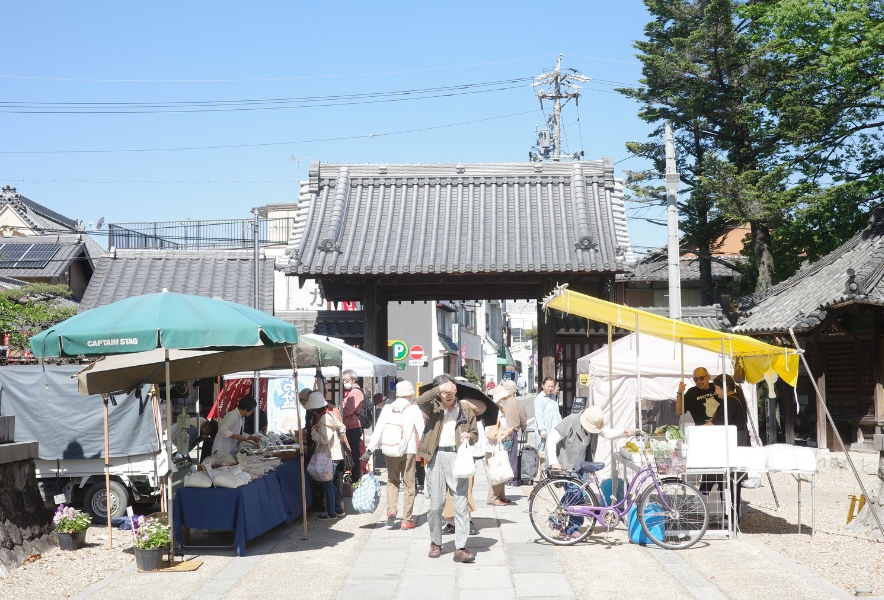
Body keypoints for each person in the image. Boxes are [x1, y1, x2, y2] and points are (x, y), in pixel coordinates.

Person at [417, 374, 479, 563]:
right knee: (436, 505)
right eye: (445, 391)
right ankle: (435, 542)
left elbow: (476, 433)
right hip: (436, 456)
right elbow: (420, 400)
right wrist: (440, 388)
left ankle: (460, 547)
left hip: (457, 456)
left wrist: (470, 435)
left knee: (460, 504)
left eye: (451, 389)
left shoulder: (465, 409)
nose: (449, 394)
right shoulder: (433, 407)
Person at [547, 406, 634, 539]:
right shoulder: (570, 421)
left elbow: (608, 433)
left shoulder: (594, 424)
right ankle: (555, 519)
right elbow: (551, 440)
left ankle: (572, 528)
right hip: (565, 465)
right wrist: (554, 462)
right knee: (576, 493)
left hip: (581, 465)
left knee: (579, 497)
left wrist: (624, 432)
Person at [362, 381, 424, 529]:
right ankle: (406, 520)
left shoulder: (388, 408)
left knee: (392, 480)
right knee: (409, 484)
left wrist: (370, 450)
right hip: (408, 450)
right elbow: (423, 432)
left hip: (390, 449)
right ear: (410, 394)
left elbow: (378, 431)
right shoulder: (415, 409)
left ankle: (391, 511)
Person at [306, 391, 346, 520]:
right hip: (334, 454)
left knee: (327, 485)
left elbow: (325, 439)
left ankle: (331, 512)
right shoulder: (329, 414)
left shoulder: (323, 418)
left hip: (329, 455)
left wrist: (314, 434)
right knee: (330, 484)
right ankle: (338, 509)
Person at [486, 386, 515, 505]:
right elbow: (492, 434)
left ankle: (501, 495)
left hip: (499, 446)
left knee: (501, 469)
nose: (506, 399)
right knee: (495, 471)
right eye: (504, 397)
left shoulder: (501, 410)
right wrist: (506, 432)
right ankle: (493, 497)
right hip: (493, 447)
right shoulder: (494, 412)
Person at [500, 379, 527, 486]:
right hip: (511, 432)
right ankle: (511, 479)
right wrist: (523, 427)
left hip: (501, 431)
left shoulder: (500, 400)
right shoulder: (516, 402)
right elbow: (523, 416)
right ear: (514, 391)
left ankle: (501, 476)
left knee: (502, 455)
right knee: (511, 456)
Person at [534, 377, 562, 476]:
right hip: (545, 429)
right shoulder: (539, 398)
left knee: (553, 450)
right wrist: (542, 430)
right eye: (548, 386)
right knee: (543, 453)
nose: (550, 388)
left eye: (552, 386)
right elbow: (538, 415)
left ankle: (551, 474)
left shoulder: (553, 397)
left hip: (554, 428)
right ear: (543, 386)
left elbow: (557, 413)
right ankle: (542, 475)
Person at [341, 369, 365, 483]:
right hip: (349, 425)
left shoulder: (355, 392)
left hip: (352, 426)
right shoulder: (351, 392)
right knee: (351, 452)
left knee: (354, 453)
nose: (344, 382)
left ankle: (355, 480)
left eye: (347, 380)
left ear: (353, 379)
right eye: (343, 380)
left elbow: (348, 410)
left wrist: (337, 412)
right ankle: (353, 478)